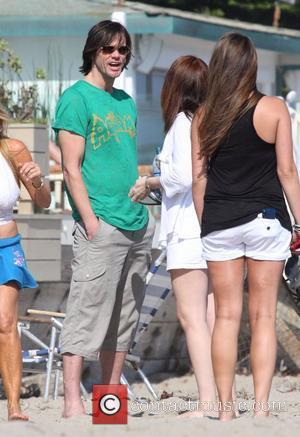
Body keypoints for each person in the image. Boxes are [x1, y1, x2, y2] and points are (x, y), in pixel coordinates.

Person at [191, 32, 300, 420]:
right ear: (251, 65)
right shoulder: (273, 109)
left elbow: (198, 179)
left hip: (220, 222)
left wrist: (208, 223)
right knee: (263, 317)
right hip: (265, 221)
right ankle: (260, 409)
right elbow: (287, 171)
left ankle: (224, 412)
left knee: (224, 316)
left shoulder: (203, 116)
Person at [52, 20, 154, 418]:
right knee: (86, 314)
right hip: (102, 225)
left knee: (123, 319)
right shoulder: (75, 99)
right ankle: (72, 405)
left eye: (123, 50)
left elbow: (124, 162)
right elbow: (71, 169)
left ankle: (108, 405)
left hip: (136, 223)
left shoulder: (126, 102)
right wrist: (91, 223)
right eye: (109, 49)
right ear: (92, 52)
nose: (116, 56)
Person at [129, 56, 216, 415]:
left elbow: (181, 177)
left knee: (192, 318)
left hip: (187, 232)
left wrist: (149, 181)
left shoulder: (182, 123)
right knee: (213, 317)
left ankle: (209, 398)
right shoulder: (210, 122)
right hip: (213, 229)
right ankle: (220, 395)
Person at [0, 106, 51, 420]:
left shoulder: (12, 149)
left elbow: (43, 201)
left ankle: (14, 404)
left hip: (5, 243)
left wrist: (38, 180)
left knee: (6, 323)